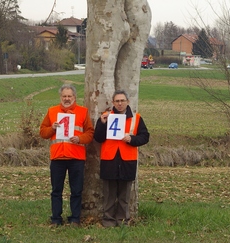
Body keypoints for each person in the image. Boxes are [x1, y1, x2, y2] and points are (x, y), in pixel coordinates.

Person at [40, 84, 94, 227]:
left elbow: (90, 133)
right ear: (60, 97)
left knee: (76, 190)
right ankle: (56, 219)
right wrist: (51, 128)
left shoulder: (83, 112)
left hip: (76, 158)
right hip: (58, 157)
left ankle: (75, 218)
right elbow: (43, 133)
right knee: (56, 191)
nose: (67, 98)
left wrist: (80, 139)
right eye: (64, 96)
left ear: (74, 97)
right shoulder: (52, 111)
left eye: (69, 96)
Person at [94, 90, 149, 227]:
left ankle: (122, 220)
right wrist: (101, 124)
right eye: (117, 101)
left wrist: (132, 139)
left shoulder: (136, 118)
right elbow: (98, 138)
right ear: (113, 103)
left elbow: (145, 137)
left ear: (127, 102)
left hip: (127, 161)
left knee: (124, 195)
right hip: (109, 160)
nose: (119, 103)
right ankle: (108, 220)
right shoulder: (105, 117)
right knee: (109, 194)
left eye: (122, 100)